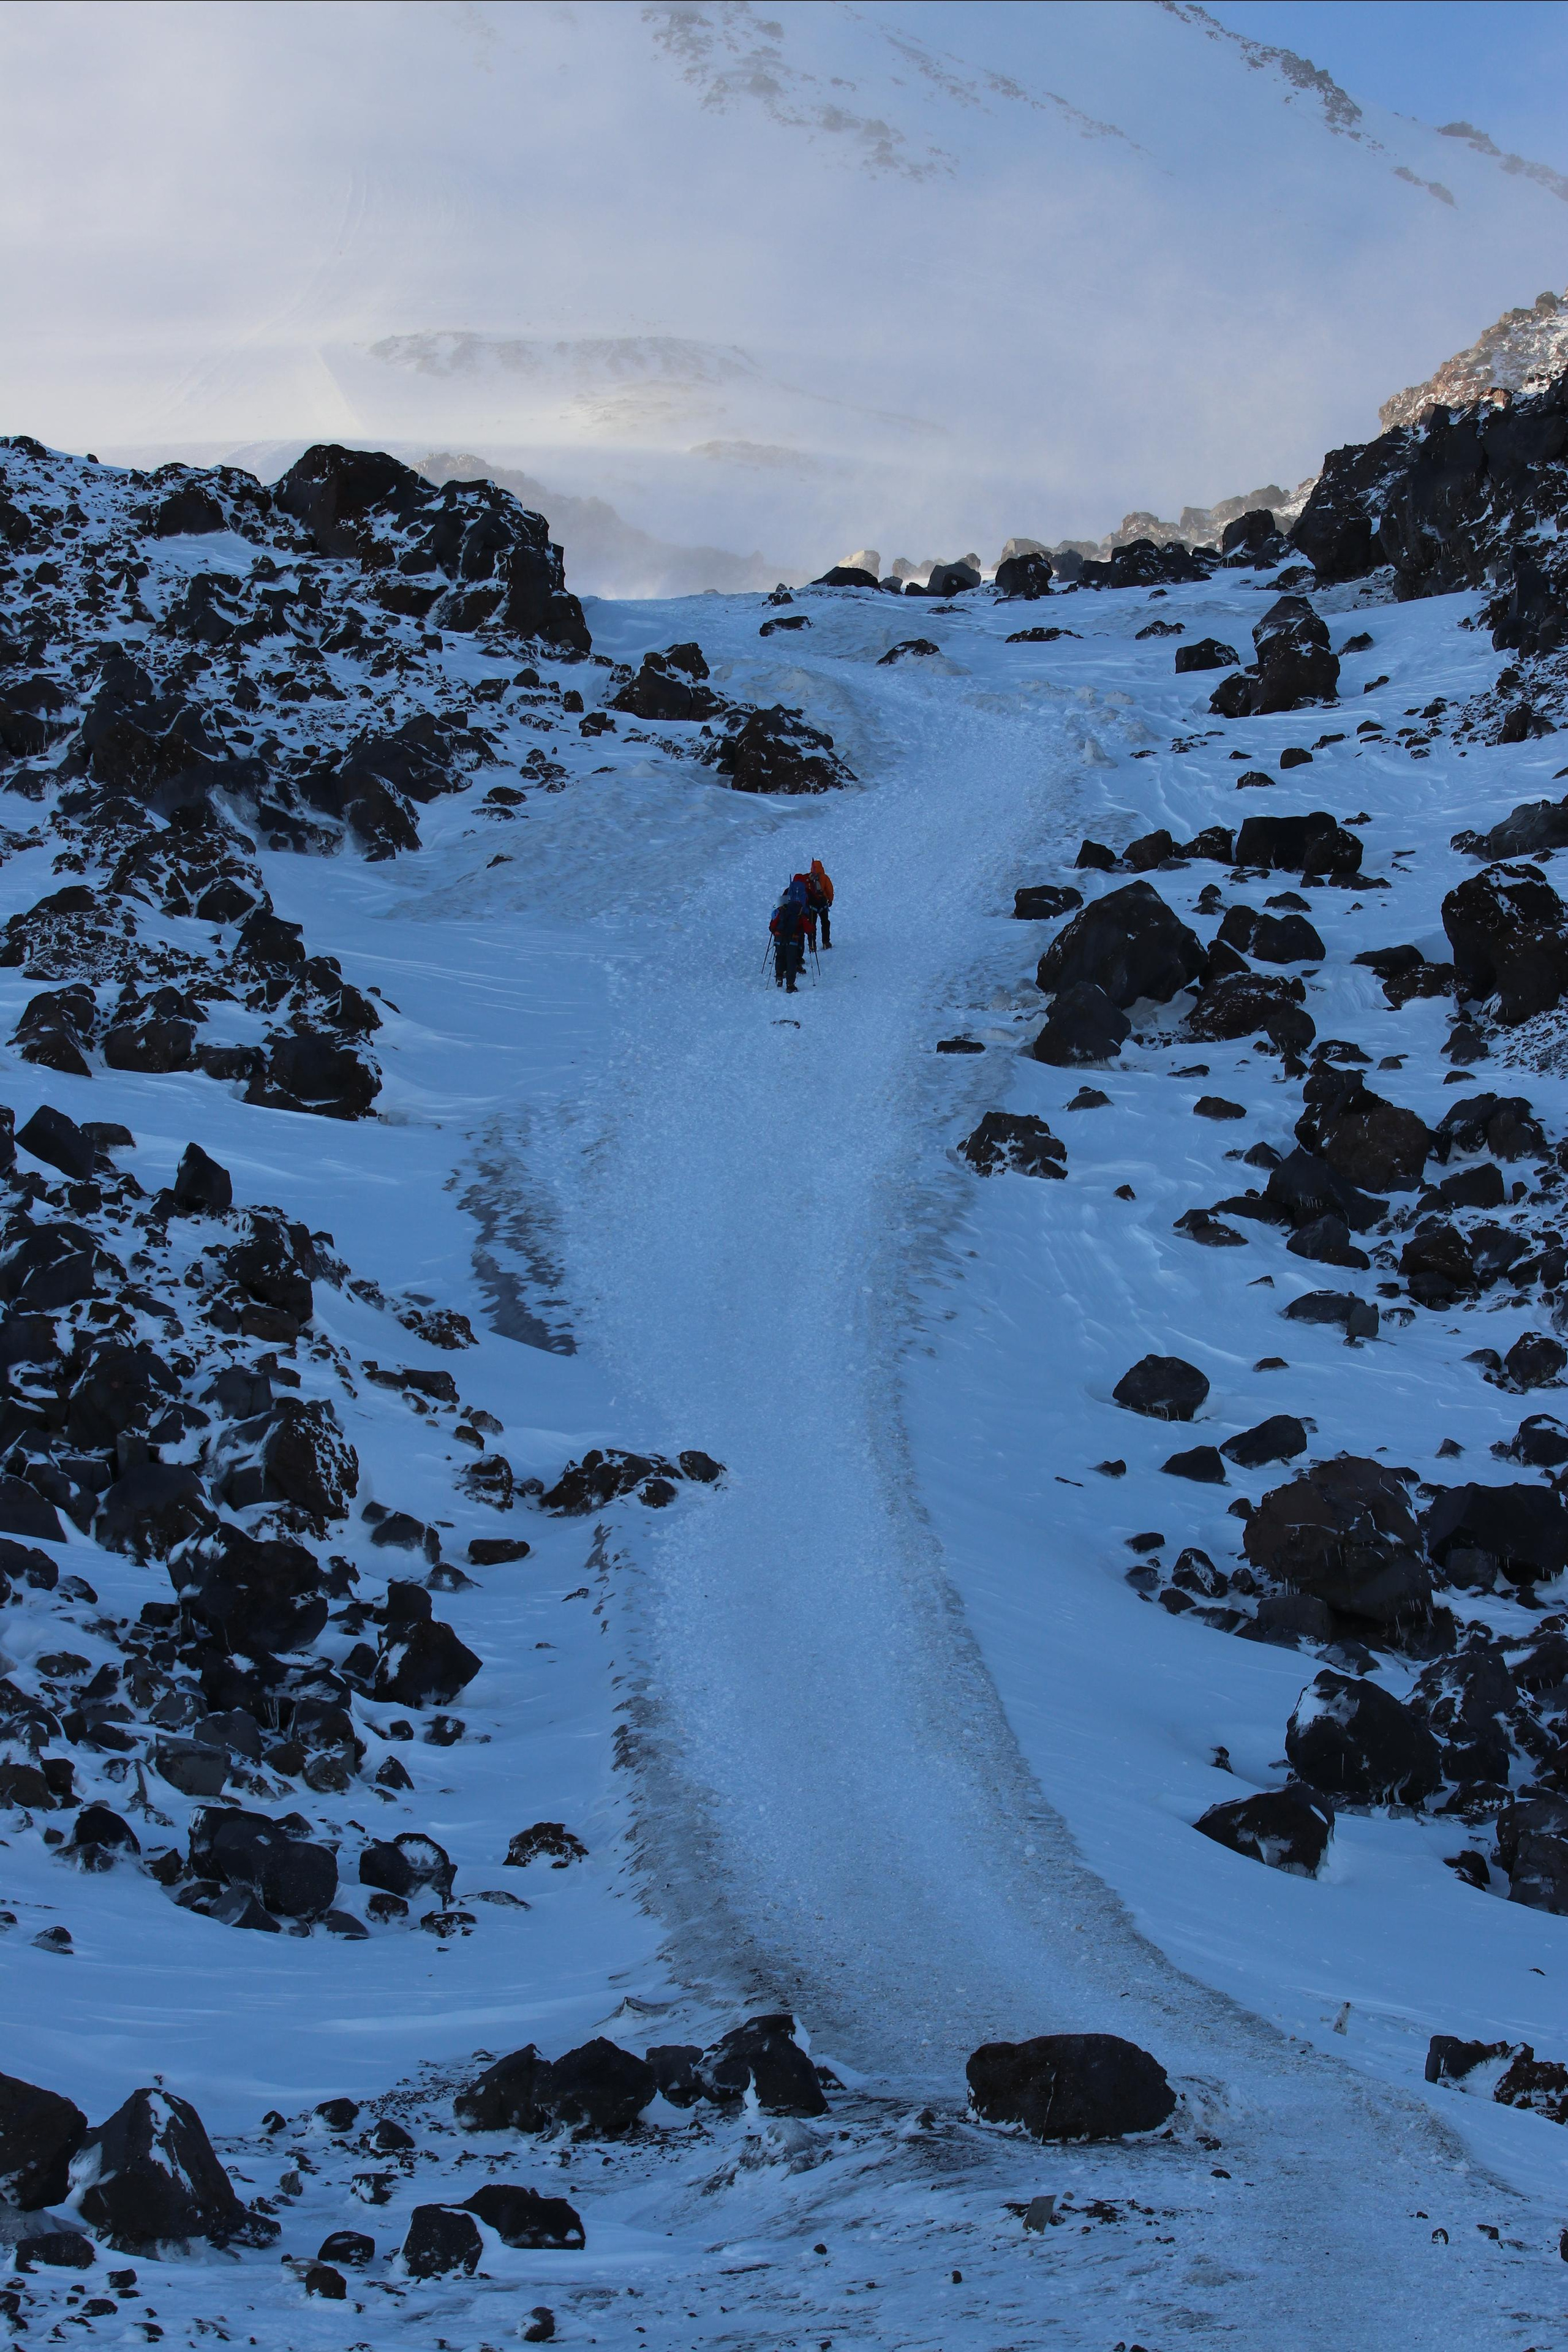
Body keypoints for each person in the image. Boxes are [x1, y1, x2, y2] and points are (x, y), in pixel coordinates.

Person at [770, 887, 808, 992]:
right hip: (792, 940)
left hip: (779, 938)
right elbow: (809, 928)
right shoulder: (798, 913)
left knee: (780, 957)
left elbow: (772, 926)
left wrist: (776, 933)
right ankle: (790, 985)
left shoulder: (781, 912)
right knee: (791, 961)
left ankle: (779, 976)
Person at [807, 858, 834, 948]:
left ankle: (812, 944)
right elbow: (830, 889)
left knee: (812, 924)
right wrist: (830, 900)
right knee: (825, 922)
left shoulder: (809, 877)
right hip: (822, 903)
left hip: (812, 904)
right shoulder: (825, 877)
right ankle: (826, 942)